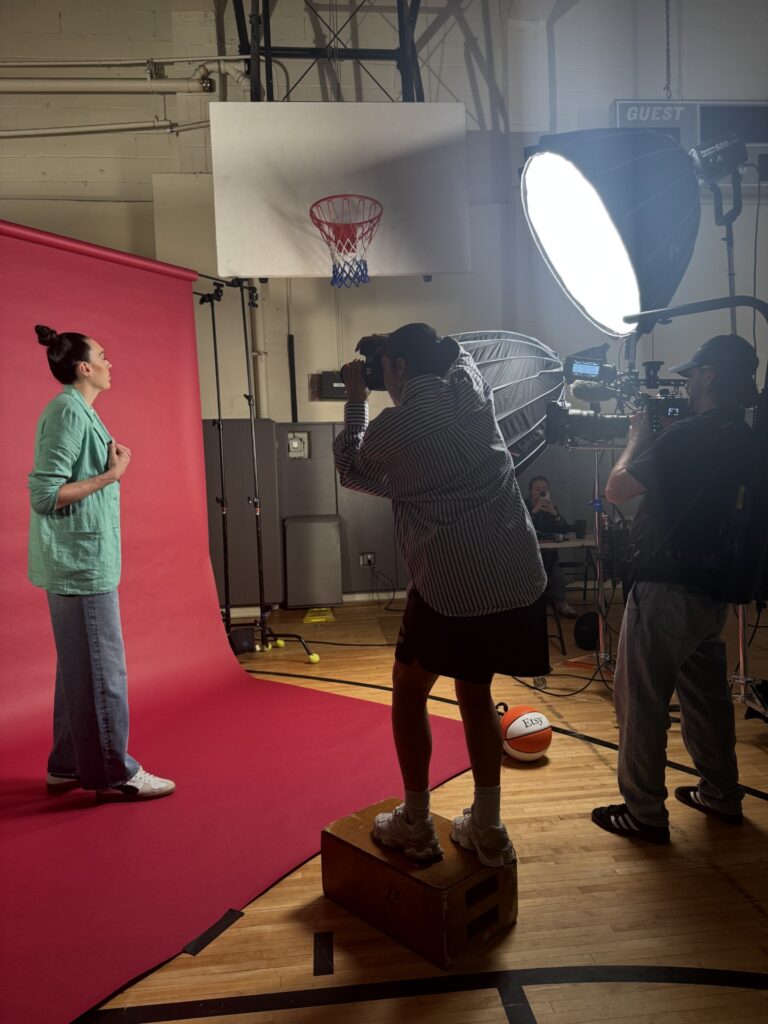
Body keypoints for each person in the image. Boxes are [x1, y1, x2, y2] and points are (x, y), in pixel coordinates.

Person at [333, 323, 549, 867]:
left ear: (399, 369)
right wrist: (396, 347)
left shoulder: (394, 428)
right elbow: (454, 355)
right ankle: (490, 828)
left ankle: (415, 821)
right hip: (517, 576)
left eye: (386, 372)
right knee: (474, 691)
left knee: (409, 688)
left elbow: (351, 469)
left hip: (452, 583)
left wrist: (356, 402)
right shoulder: (473, 392)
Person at [591, 334, 759, 844]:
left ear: (709, 376)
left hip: (664, 588)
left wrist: (638, 436)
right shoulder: (746, 437)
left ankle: (644, 812)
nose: (685, 384)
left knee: (640, 703)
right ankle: (721, 794)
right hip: (712, 591)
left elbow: (617, 490)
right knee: (706, 703)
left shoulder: (686, 436)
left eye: (691, 375)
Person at [29, 324, 175, 801]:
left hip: (80, 560)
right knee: (102, 670)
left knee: (79, 669)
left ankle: (68, 765)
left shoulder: (79, 412)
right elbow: (45, 495)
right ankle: (114, 772)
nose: (111, 363)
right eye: (103, 356)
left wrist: (109, 468)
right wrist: (112, 475)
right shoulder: (69, 412)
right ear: (83, 367)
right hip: (79, 566)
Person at [525, 475, 578, 618]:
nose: (541, 492)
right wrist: (535, 510)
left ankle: (561, 604)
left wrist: (554, 513)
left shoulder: (550, 507)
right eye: (537, 489)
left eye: (544, 489)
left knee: (557, 575)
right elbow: (522, 527)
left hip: (549, 554)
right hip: (528, 557)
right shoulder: (523, 505)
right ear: (530, 491)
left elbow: (564, 528)